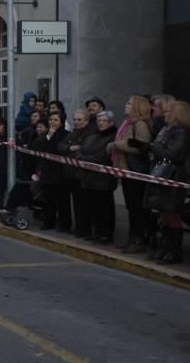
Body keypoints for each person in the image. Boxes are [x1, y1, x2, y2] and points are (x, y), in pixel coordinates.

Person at [143, 100, 190, 264]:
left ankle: (173, 251)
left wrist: (155, 145)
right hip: (162, 174)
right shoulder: (167, 130)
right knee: (164, 214)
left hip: (174, 176)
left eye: (168, 111)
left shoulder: (181, 132)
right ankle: (164, 247)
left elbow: (173, 154)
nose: (164, 114)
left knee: (172, 214)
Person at [108, 95, 153, 253]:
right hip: (126, 170)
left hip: (135, 171)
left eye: (129, 103)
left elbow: (142, 144)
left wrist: (117, 144)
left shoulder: (139, 124)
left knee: (136, 208)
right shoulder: (128, 123)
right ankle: (133, 238)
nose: (125, 105)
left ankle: (138, 239)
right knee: (131, 207)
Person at [79, 111, 118, 244]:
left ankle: (106, 234)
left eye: (104, 121)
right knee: (94, 207)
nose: (101, 123)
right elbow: (82, 149)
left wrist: (85, 159)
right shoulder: (92, 136)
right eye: (99, 121)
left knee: (105, 208)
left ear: (111, 123)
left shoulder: (113, 137)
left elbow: (103, 157)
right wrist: (82, 157)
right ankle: (97, 232)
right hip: (89, 178)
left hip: (104, 179)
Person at [57, 109, 96, 239]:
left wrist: (71, 148)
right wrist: (70, 148)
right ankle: (78, 227)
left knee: (83, 204)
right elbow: (61, 147)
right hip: (70, 173)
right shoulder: (73, 133)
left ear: (86, 120)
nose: (76, 122)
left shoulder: (89, 133)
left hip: (81, 174)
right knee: (76, 203)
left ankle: (84, 229)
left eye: (79, 120)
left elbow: (83, 149)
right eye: (74, 119)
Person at [34, 112, 71, 231]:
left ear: (61, 122)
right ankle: (49, 222)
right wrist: (48, 135)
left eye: (55, 120)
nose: (52, 122)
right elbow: (37, 147)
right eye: (50, 120)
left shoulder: (66, 135)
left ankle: (64, 224)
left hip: (61, 172)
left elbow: (58, 149)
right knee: (48, 200)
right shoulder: (45, 134)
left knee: (62, 201)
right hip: (47, 171)